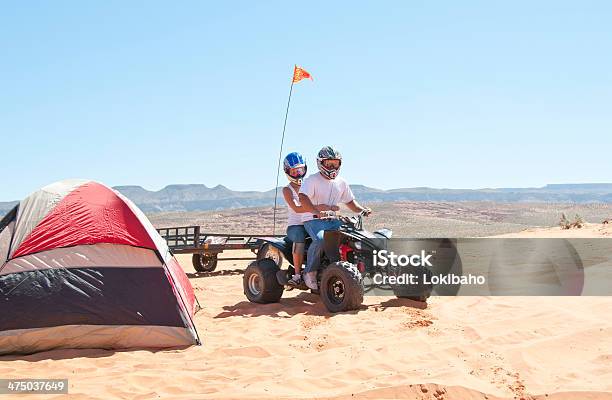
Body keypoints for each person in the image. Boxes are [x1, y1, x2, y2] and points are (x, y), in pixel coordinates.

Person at [298, 146, 371, 290]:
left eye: (335, 163)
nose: (332, 167)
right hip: (313, 219)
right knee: (320, 239)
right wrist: (316, 211)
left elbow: (350, 201)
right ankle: (309, 272)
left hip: (332, 220)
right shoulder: (312, 180)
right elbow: (303, 198)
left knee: (354, 237)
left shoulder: (341, 182)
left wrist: (362, 210)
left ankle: (347, 267)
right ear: (320, 163)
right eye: (328, 163)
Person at [281, 152, 309, 286]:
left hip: (312, 223)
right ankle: (297, 274)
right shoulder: (287, 190)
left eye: (300, 170)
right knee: (299, 236)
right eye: (294, 171)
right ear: (287, 171)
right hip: (295, 226)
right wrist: (315, 207)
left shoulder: (309, 185)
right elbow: (297, 208)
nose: (298, 174)